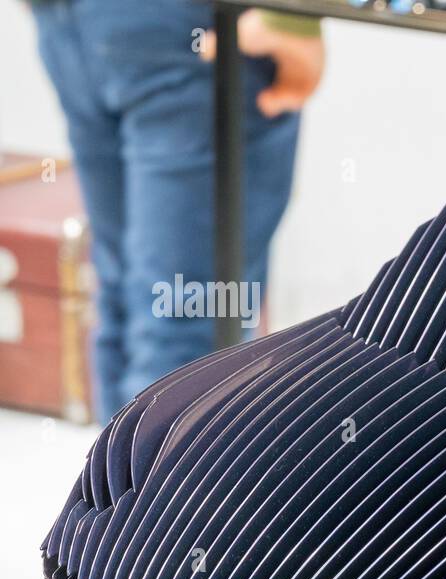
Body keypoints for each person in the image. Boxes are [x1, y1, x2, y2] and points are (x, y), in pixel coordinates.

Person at [29, 1, 325, 420]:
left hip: (70, 20)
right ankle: (161, 484)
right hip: (185, 22)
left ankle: (119, 484)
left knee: (129, 298)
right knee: (187, 313)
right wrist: (291, 17)